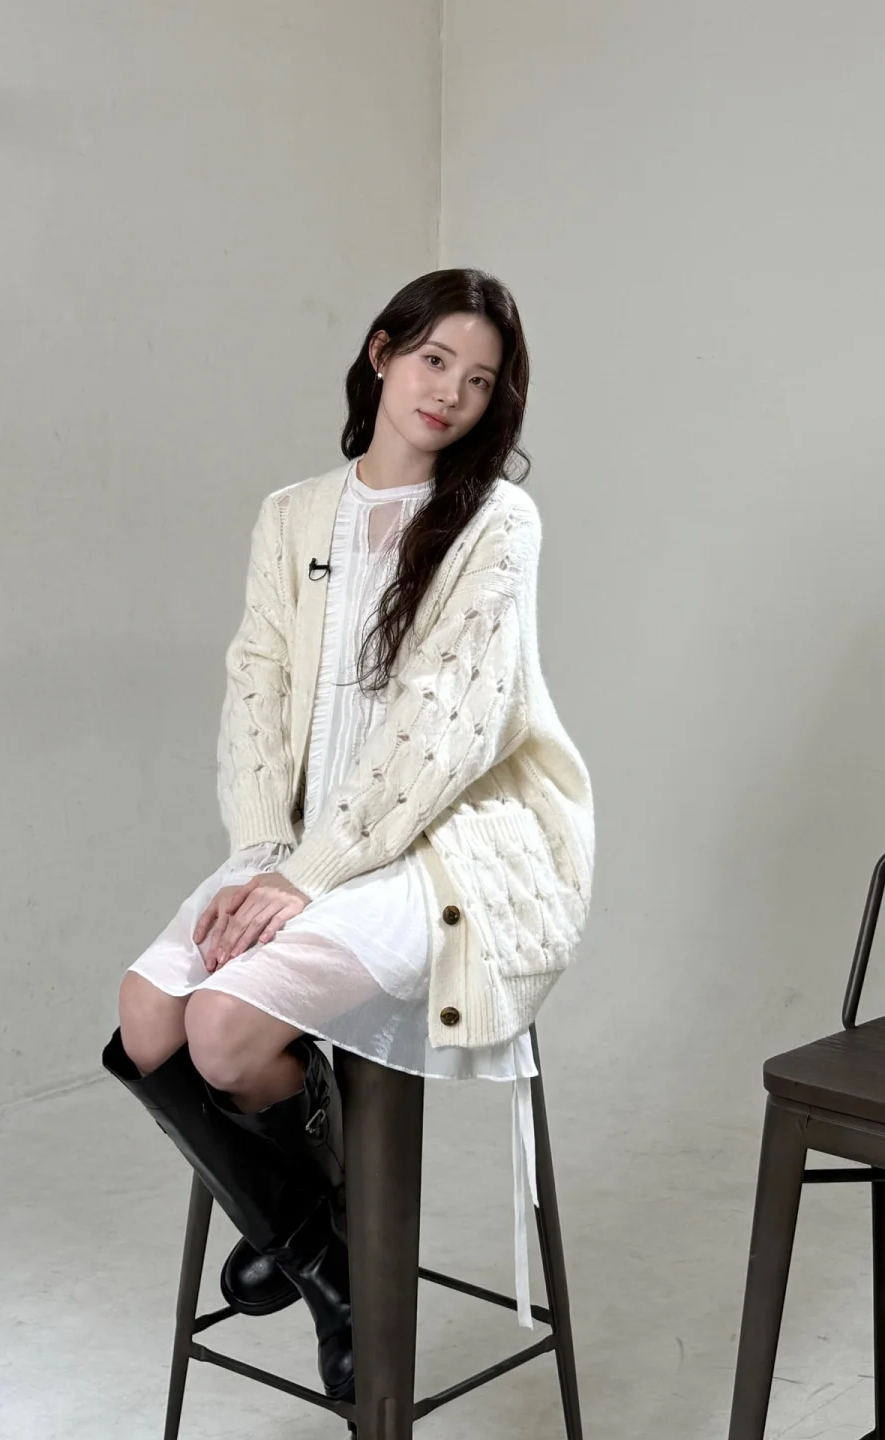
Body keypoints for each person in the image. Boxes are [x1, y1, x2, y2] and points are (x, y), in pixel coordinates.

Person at [102, 268, 595, 1405]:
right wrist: (263, 856)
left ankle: (315, 1257)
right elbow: (257, 685)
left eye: (480, 382)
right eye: (434, 361)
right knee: (147, 1015)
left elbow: (449, 723)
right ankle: (323, 1240)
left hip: (441, 852)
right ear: (382, 353)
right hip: (298, 847)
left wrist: (313, 874)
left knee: (223, 1030)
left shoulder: (496, 523)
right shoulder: (292, 515)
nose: (450, 394)